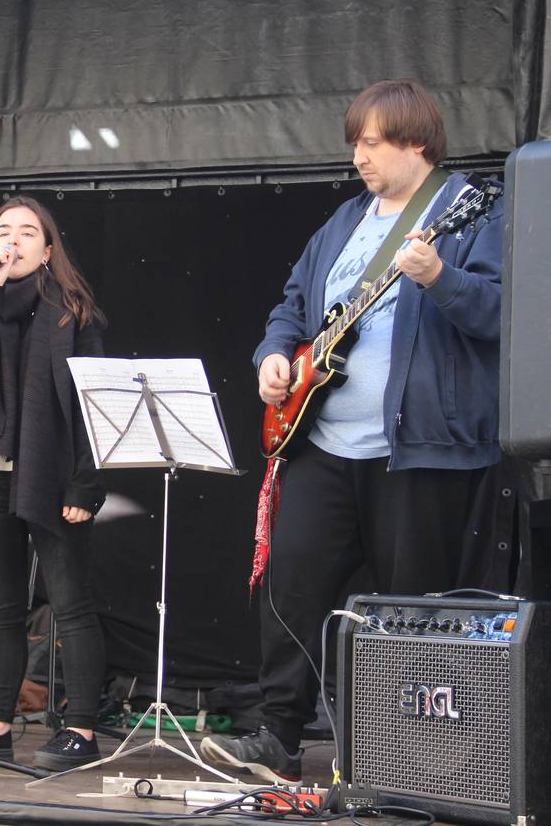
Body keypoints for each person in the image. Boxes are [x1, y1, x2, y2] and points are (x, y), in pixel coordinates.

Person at [201, 80, 504, 783]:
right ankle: (276, 738)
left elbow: (499, 314)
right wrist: (272, 357)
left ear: (416, 142)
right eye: (354, 144)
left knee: (410, 613)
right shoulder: (342, 221)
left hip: (421, 451)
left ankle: (413, 758)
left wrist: (437, 278)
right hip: (322, 442)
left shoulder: (470, 213)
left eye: (370, 142)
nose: (358, 157)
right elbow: (292, 306)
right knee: (290, 588)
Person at [0, 195, 109, 772]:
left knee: (72, 605)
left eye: (27, 232)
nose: (13, 240)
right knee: (2, 607)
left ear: (48, 248)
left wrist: (85, 486)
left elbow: (93, 410)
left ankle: (81, 727)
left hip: (54, 473)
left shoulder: (73, 313)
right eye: (3, 231)